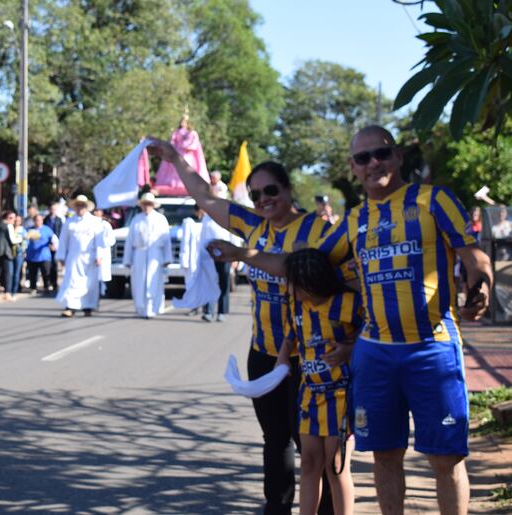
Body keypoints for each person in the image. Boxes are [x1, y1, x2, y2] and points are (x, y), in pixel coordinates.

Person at [207, 125, 493, 515]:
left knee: (446, 460)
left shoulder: (434, 200)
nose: (374, 162)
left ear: (397, 156)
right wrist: (243, 255)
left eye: (381, 153)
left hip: (433, 348)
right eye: (363, 157)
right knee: (385, 456)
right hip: (375, 355)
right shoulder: (354, 220)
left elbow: (473, 254)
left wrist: (482, 283)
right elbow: (300, 265)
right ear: (354, 167)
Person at [148, 139, 335, 514]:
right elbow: (205, 196)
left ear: (288, 190)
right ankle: (276, 506)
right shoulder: (253, 224)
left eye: (271, 190)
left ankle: (327, 508)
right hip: (264, 351)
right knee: (275, 438)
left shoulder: (317, 231)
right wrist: (175, 159)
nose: (264, 199)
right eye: (255, 194)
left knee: (311, 444)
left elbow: (300, 270)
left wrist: (242, 254)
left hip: (309, 355)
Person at [276, 249, 362, 515]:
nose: (287, 287)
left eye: (291, 281)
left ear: (310, 281)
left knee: (335, 466)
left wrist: (349, 350)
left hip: (341, 394)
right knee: (310, 463)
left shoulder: (348, 303)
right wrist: (282, 357)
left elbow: (371, 336)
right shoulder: (296, 305)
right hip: (309, 393)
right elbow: (291, 336)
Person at [123, 193, 172, 319]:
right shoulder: (136, 219)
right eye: (144, 204)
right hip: (139, 253)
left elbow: (166, 240)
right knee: (139, 281)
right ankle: (140, 306)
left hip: (155, 254)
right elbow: (129, 240)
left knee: (153, 279)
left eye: (149, 204)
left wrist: (167, 258)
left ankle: (151, 307)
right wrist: (127, 259)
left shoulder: (161, 219)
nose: (146, 207)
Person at [56, 195, 106, 317]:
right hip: (74, 257)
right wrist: (61, 256)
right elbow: (63, 241)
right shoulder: (70, 222)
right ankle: (70, 307)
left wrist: (99, 256)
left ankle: (88, 306)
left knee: (89, 283)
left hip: (90, 257)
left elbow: (99, 240)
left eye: (82, 206)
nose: (80, 208)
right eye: (78, 206)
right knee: (72, 281)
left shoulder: (94, 221)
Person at [154, 113, 210, 196]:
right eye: (182, 121)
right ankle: (174, 183)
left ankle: (185, 183)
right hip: (177, 153)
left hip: (186, 155)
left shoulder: (192, 133)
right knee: (175, 169)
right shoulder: (177, 132)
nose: (182, 123)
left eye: (184, 122)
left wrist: (183, 144)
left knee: (186, 168)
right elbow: (172, 142)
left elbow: (192, 144)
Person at [200, 207, 233, 322]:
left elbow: (233, 237)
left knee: (224, 283)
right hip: (209, 254)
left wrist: (236, 256)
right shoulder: (206, 218)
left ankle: (222, 312)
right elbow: (202, 238)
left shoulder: (226, 218)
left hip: (225, 253)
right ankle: (208, 311)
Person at [25, 214, 58, 293]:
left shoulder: (47, 229)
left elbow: (54, 239)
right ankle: (33, 288)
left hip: (44, 256)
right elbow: (25, 240)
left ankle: (47, 287)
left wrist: (54, 246)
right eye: (36, 220)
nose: (38, 222)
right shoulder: (29, 230)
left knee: (46, 273)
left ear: (42, 221)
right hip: (32, 256)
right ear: (34, 221)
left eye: (39, 220)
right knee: (33, 273)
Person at [0, 210, 19, 301]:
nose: (13, 220)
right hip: (6, 253)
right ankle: (7, 293)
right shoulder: (8, 226)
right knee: (8, 274)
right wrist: (21, 238)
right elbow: (13, 240)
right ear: (6, 217)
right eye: (11, 218)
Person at [93, 208, 116, 296]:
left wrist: (100, 240)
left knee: (102, 273)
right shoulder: (89, 223)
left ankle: (102, 289)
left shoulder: (105, 225)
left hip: (103, 251)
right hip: (92, 251)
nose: (95, 212)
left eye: (97, 211)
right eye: (94, 211)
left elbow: (111, 240)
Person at [44, 202, 64, 292]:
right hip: (46, 245)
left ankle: (54, 283)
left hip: (56, 245)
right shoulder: (46, 219)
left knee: (54, 265)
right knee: (47, 265)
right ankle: (47, 283)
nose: (53, 210)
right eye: (51, 209)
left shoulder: (59, 220)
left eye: (54, 209)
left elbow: (61, 233)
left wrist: (56, 244)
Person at [11, 215, 27, 295]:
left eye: (18, 220)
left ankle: (15, 289)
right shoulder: (10, 228)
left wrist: (24, 251)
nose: (16, 222)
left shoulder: (22, 230)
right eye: (15, 220)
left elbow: (25, 242)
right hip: (10, 253)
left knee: (17, 272)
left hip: (19, 253)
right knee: (11, 272)